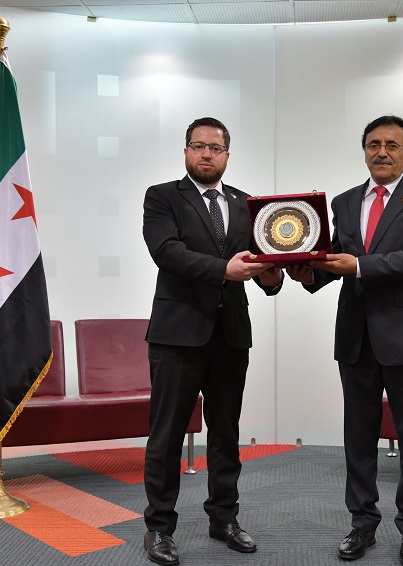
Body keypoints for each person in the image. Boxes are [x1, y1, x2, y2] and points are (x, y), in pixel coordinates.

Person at [287, 115, 403, 566]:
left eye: (392, 145)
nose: (382, 152)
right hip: (356, 338)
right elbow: (333, 257)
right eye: (373, 144)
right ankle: (361, 523)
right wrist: (306, 272)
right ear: (364, 151)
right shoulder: (343, 202)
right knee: (358, 438)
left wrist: (357, 266)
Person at [141, 117, 283, 566]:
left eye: (215, 148)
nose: (206, 154)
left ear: (227, 155)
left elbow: (259, 263)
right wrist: (224, 270)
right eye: (198, 146)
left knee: (226, 432)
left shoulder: (247, 205)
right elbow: (167, 252)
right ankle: (159, 527)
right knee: (167, 435)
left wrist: (273, 275)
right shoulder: (162, 196)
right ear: (186, 151)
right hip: (177, 335)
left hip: (230, 335)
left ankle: (224, 518)